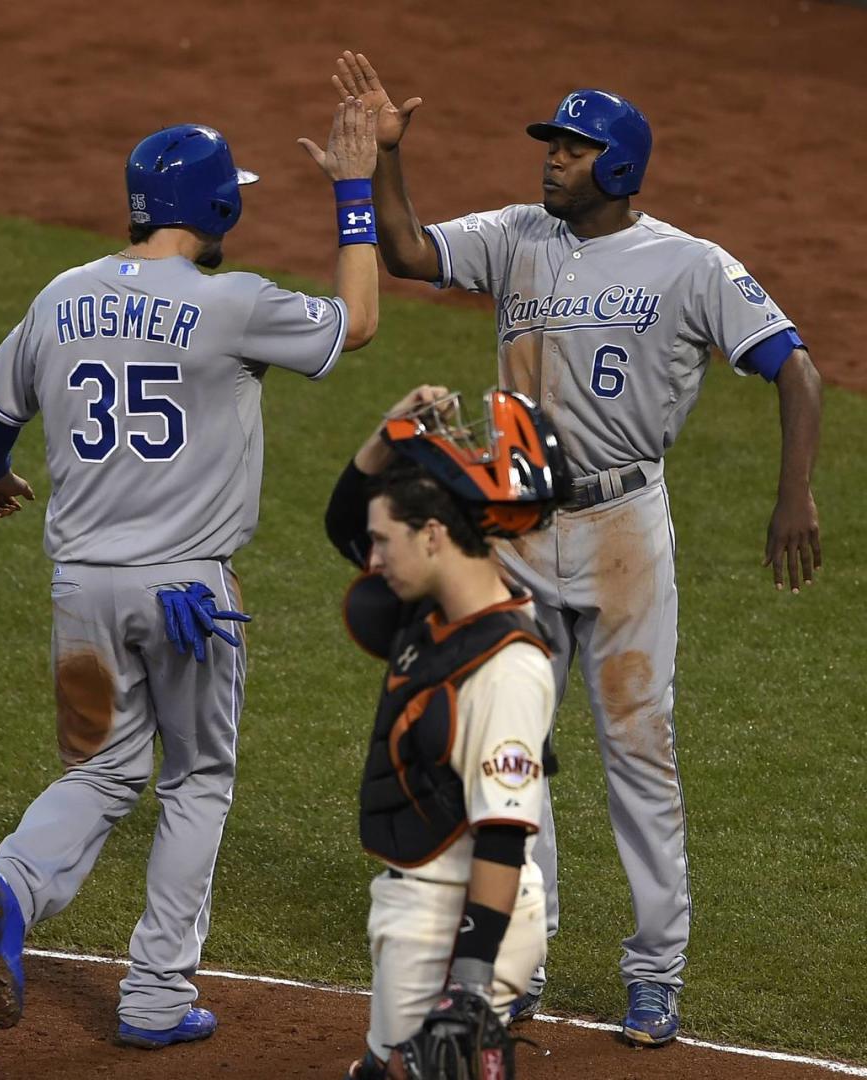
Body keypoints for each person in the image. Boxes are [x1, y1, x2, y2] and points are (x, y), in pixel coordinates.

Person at [329, 52, 823, 1046]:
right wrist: (387, 159)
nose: (552, 158)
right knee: (517, 751)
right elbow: (410, 251)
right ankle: (519, 964)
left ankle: (656, 974)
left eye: (574, 147)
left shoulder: (693, 264)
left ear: (621, 168)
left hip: (625, 530)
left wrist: (793, 496)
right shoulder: (518, 236)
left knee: (642, 751)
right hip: (517, 529)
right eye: (552, 143)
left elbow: (797, 370)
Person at [0, 99, 381, 1049]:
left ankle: (13, 883)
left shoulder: (60, 293)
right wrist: (353, 192)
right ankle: (154, 998)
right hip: (189, 593)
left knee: (102, 771)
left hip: (81, 592)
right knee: (195, 783)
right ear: (218, 211)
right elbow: (355, 324)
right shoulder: (231, 302)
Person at [325, 384, 570, 1079]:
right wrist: (389, 432)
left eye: (384, 543)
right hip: (418, 908)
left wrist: (467, 984)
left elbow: (504, 831)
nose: (370, 560)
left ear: (432, 536)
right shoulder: (425, 614)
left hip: (456, 920)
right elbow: (347, 520)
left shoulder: (509, 667)